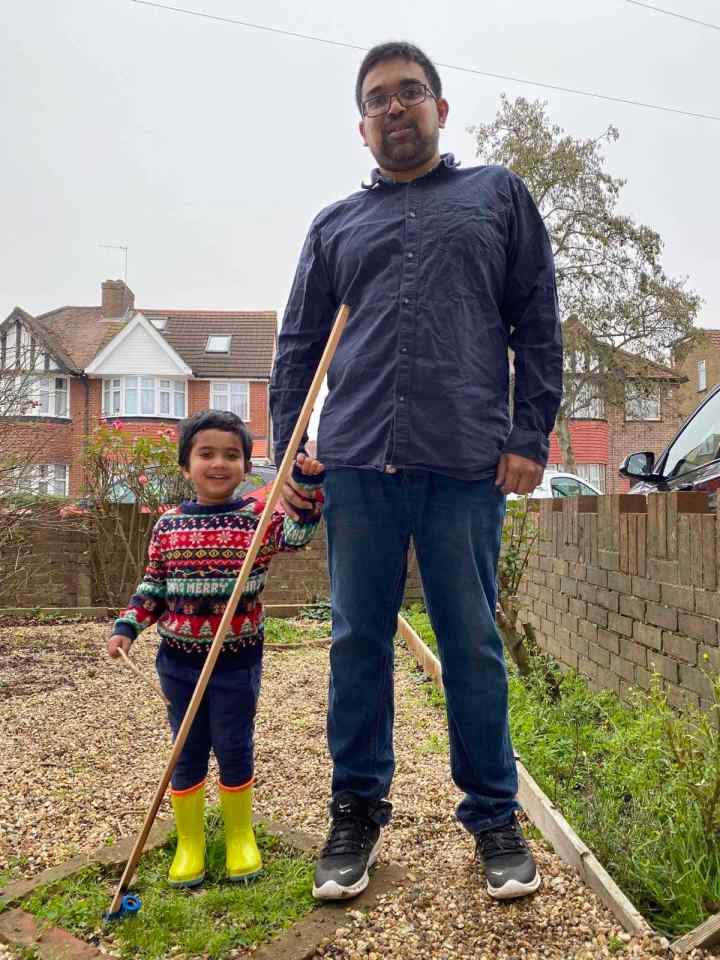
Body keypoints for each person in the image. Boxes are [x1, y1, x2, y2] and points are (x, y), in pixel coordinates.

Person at [270, 41, 563, 902]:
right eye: (378, 100)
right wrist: (290, 444)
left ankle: (495, 818)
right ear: (362, 128)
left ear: (440, 108)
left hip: (466, 462)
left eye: (410, 93)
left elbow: (537, 322)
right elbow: (296, 347)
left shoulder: (497, 197)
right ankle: (355, 813)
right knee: (357, 642)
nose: (395, 108)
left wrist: (529, 434)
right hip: (356, 462)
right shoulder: (333, 227)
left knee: (471, 645)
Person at [107, 410, 324, 888]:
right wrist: (128, 626)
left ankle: (239, 835)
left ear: (247, 466)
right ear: (186, 466)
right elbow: (154, 586)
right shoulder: (168, 524)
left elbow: (299, 533)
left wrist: (307, 490)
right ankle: (190, 842)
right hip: (178, 664)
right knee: (185, 750)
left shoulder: (257, 518)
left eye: (232, 454)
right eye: (206, 454)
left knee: (233, 744)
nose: (219, 463)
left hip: (235, 662)